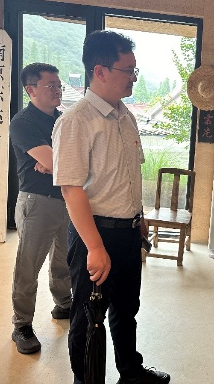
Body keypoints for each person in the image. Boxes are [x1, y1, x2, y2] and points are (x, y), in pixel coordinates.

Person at [52, 30, 170, 384]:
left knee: (126, 309)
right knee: (88, 317)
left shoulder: (125, 115)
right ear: (100, 71)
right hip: (96, 233)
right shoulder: (75, 121)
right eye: (128, 70)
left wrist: (140, 216)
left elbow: (128, 174)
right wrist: (95, 247)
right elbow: (71, 189)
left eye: (135, 70)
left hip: (128, 231)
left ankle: (130, 373)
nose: (133, 77)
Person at [9, 62, 72, 355]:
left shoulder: (63, 119)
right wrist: (53, 162)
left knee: (63, 259)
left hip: (67, 199)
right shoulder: (23, 122)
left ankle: (64, 303)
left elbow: (74, 157)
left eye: (59, 85)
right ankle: (21, 324)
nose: (57, 90)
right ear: (30, 90)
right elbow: (55, 161)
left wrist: (53, 163)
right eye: (51, 86)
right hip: (37, 202)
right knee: (28, 265)